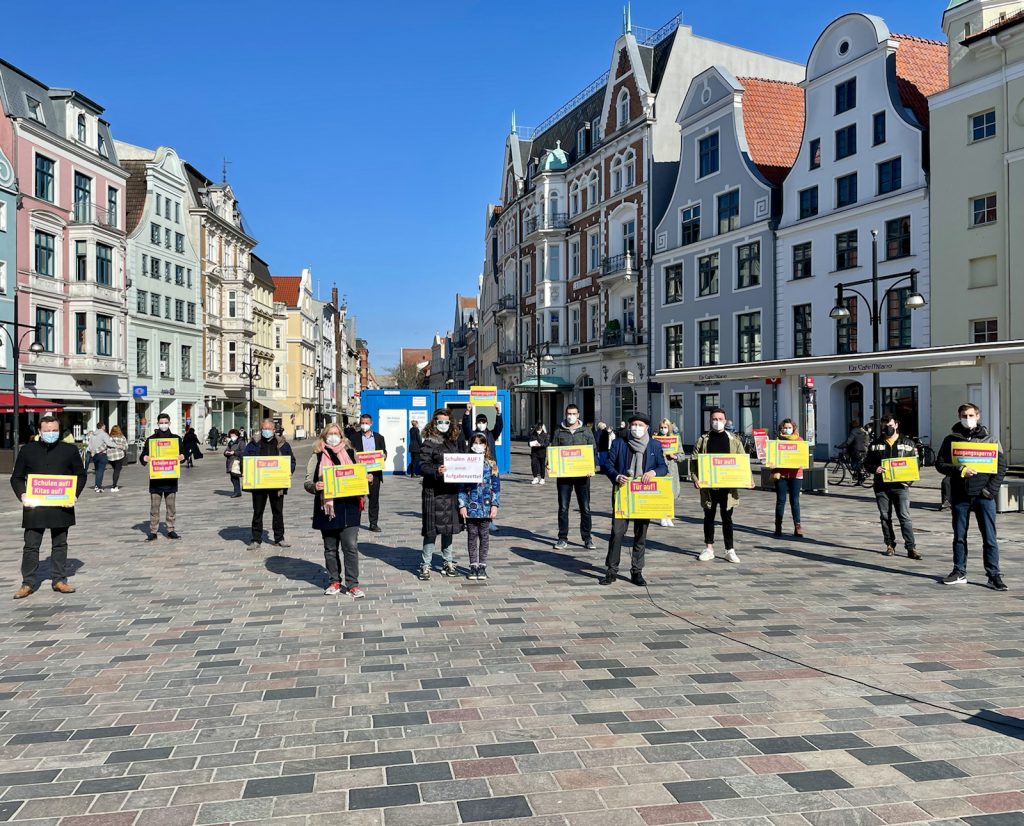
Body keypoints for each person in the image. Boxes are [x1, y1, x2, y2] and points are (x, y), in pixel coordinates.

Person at [10, 415, 88, 598]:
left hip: (61, 505)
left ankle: (59, 580)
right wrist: (23, 494)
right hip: (35, 507)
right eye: (47, 431)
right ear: (39, 431)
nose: (51, 434)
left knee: (60, 544)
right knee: (31, 545)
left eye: (54, 430)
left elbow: (81, 475)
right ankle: (27, 583)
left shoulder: (69, 450)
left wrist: (74, 494)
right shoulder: (27, 450)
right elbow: (17, 477)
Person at [935, 403, 1008, 590]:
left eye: (970, 415)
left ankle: (994, 575)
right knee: (959, 535)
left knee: (989, 538)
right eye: (964, 415)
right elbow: (940, 464)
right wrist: (959, 469)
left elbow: (1000, 468)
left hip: (984, 496)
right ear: (959, 416)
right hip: (961, 495)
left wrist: (990, 491)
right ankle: (959, 571)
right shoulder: (951, 439)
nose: (967, 419)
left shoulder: (990, 439)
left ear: (978, 416)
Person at [601, 413, 669, 586]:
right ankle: (611, 570)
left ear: (646, 427)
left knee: (640, 534)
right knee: (617, 533)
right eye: (634, 424)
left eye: (640, 425)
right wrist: (616, 476)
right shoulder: (619, 443)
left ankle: (637, 571)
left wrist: (653, 473)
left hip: (644, 497)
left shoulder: (654, 445)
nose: (637, 428)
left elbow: (663, 467)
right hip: (623, 493)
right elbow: (607, 465)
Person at [305, 423, 365, 597]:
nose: (333, 436)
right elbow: (308, 483)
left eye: (336, 433)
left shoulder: (351, 454)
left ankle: (353, 584)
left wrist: (366, 478)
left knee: (351, 546)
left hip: (350, 507)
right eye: (330, 434)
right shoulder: (317, 456)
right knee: (330, 548)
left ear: (342, 436)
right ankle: (334, 581)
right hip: (328, 507)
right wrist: (316, 486)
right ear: (324, 436)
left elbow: (360, 475)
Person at [691, 408, 746, 564]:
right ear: (710, 420)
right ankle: (709, 548)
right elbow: (694, 462)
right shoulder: (703, 439)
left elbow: (742, 461)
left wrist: (747, 478)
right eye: (714, 419)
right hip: (709, 487)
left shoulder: (734, 440)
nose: (717, 421)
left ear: (725, 420)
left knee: (727, 517)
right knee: (709, 516)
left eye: (720, 418)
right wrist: (696, 479)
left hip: (727, 487)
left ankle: (730, 549)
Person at [862, 415, 920, 560]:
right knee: (885, 516)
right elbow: (867, 463)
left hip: (901, 486)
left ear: (896, 425)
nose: (887, 427)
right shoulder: (875, 444)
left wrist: (908, 482)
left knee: (904, 517)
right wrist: (875, 468)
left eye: (889, 424)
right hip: (881, 486)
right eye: (884, 425)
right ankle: (889, 544)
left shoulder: (908, 443)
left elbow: (915, 465)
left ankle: (911, 547)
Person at [418, 408, 467, 579]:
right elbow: (422, 466)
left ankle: (448, 561)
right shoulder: (428, 442)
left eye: (446, 422)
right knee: (431, 530)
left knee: (449, 528)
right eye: (440, 421)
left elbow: (463, 459)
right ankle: (425, 564)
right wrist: (436, 470)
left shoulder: (455, 440)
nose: (443, 425)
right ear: (434, 422)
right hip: (434, 491)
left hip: (451, 490)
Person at [243, 419, 296, 551]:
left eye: (269, 429)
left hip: (277, 484)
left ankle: (279, 538)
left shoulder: (283, 444)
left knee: (278, 512)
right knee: (257, 512)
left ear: (274, 430)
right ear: (261, 429)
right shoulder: (253, 444)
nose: (266, 431)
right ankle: (256, 539)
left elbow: (291, 460)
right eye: (264, 429)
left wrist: (289, 470)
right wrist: (247, 471)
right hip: (259, 484)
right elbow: (245, 459)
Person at [552, 403, 596, 551]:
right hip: (564, 476)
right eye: (568, 414)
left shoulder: (586, 431)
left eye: (573, 414)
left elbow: (593, 451)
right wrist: (549, 464)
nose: (571, 416)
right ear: (566, 414)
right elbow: (553, 450)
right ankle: (562, 538)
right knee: (563, 507)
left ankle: (587, 538)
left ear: (578, 415)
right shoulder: (559, 431)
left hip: (583, 476)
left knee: (586, 508)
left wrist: (592, 467)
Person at [458, 432, 501, 580]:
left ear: (486, 445)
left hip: (486, 506)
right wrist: (462, 505)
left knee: (484, 537)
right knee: (472, 537)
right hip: (471, 506)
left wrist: (495, 505)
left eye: (481, 443)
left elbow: (496, 486)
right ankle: (473, 565)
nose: (478, 446)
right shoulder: (465, 462)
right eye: (475, 443)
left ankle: (482, 566)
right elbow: (461, 487)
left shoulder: (491, 464)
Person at [140, 413, 184, 541]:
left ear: (169, 423)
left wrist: (182, 457)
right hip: (156, 479)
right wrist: (144, 458)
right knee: (154, 507)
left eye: (166, 422)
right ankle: (153, 531)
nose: (163, 425)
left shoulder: (176, 439)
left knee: (171, 506)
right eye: (161, 422)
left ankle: (170, 529)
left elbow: (182, 453)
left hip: (170, 478)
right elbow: (143, 455)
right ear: (158, 423)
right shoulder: (151, 439)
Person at [772, 419, 805, 538]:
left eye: (789, 427)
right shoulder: (777, 441)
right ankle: (778, 526)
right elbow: (772, 456)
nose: (787, 429)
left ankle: (798, 526)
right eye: (785, 427)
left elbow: (803, 456)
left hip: (796, 474)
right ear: (781, 429)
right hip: (781, 474)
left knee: (794, 501)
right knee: (780, 501)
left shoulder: (799, 440)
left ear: (793, 428)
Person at [357, 413, 387, 533]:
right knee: (358, 499)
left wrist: (384, 456)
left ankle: (373, 523)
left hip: (374, 473)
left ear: (371, 423)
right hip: (359, 472)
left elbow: (384, 451)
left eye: (366, 423)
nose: (364, 425)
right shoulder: (354, 437)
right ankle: (355, 523)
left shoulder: (379, 437)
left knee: (374, 499)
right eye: (362, 423)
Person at [656, 419, 682, 528]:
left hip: (672, 469)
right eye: (661, 427)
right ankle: (662, 516)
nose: (663, 430)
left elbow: (682, 456)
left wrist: (674, 456)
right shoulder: (656, 439)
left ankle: (669, 516)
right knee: (662, 494)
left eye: (665, 427)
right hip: (660, 469)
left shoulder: (676, 439)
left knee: (671, 494)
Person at [840, 419, 869, 483]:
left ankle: (861, 476)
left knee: (854, 465)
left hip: (856, 450)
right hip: (863, 450)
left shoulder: (853, 431)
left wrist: (841, 446)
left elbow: (849, 441)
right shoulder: (861, 430)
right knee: (858, 464)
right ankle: (859, 481)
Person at [87, 423, 112, 492]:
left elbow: (90, 445)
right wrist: (117, 446)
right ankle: (98, 486)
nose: (105, 427)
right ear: (102, 427)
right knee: (100, 471)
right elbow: (109, 443)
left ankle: (96, 485)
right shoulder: (104, 434)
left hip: (94, 455)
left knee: (97, 470)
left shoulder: (92, 434)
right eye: (104, 426)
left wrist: (92, 451)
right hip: (101, 454)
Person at [107, 425, 128, 492]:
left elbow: (105, 445)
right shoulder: (122, 437)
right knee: (117, 470)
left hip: (110, 457)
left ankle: (114, 484)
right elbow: (126, 447)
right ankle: (114, 486)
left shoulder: (109, 438)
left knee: (115, 469)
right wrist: (121, 447)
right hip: (119, 456)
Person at [224, 429, 244, 498]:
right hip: (230, 461)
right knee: (232, 478)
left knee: (235, 477)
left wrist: (234, 452)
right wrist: (226, 452)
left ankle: (237, 492)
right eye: (231, 435)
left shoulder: (241, 442)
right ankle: (237, 491)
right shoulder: (230, 442)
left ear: (237, 435)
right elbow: (227, 449)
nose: (232, 436)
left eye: (234, 435)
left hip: (236, 462)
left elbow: (243, 452)